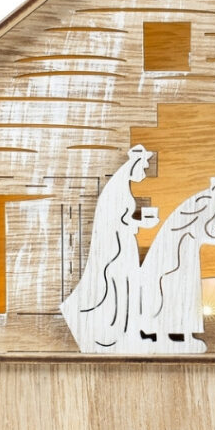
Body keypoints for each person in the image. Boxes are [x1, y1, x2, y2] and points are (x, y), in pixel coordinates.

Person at [60, 144, 156, 352]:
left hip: (124, 243)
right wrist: (141, 223)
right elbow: (115, 221)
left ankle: (124, 331)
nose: (143, 173)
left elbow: (121, 219)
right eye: (142, 167)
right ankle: (112, 332)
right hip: (117, 248)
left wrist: (137, 223)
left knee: (124, 286)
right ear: (134, 165)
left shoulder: (122, 186)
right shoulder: (118, 188)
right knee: (118, 286)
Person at [138, 161, 215, 352]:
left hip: (186, 254)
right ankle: (164, 335)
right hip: (178, 255)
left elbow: (203, 232)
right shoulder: (206, 201)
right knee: (176, 291)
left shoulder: (210, 201)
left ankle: (183, 335)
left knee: (184, 293)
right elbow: (199, 232)